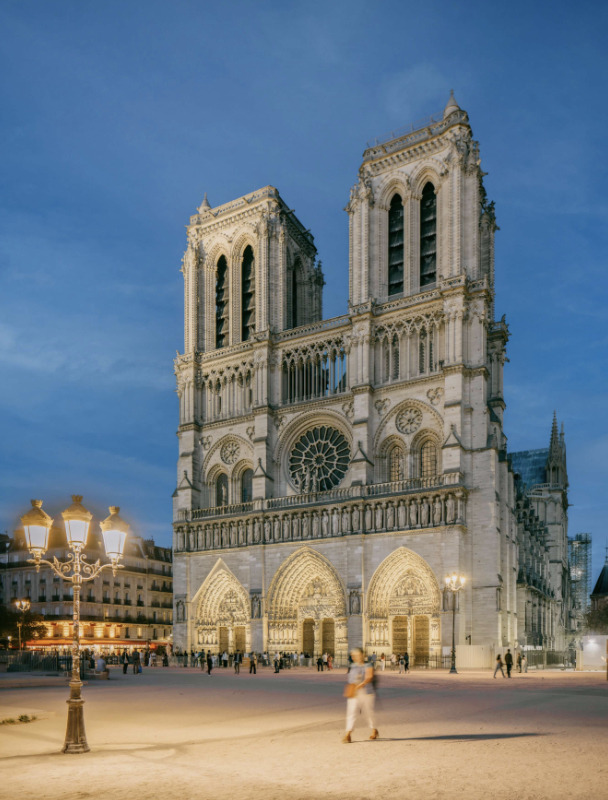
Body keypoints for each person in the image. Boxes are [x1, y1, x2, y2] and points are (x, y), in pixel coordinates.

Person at [342, 648, 378, 743]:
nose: (354, 657)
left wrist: (361, 685)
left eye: (356, 655)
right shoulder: (352, 665)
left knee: (368, 713)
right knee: (351, 712)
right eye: (353, 655)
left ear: (362, 655)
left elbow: (369, 677)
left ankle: (374, 729)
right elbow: (350, 678)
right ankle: (348, 733)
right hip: (354, 692)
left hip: (366, 692)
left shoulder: (368, 664)